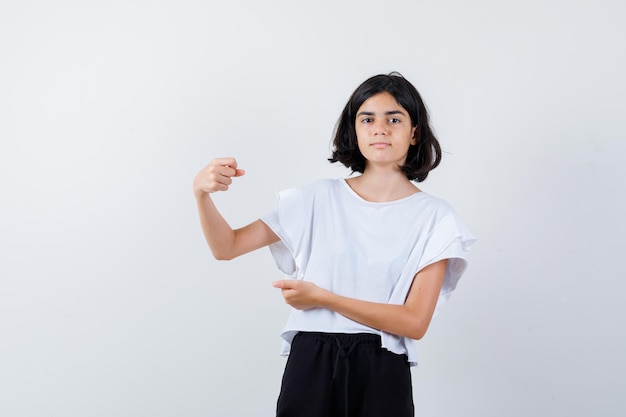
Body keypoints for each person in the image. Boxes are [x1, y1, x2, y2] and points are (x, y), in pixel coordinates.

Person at [193, 72, 476, 417]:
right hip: (312, 358)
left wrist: (324, 298)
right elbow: (228, 247)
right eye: (367, 118)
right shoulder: (314, 199)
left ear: (415, 132)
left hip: (383, 364)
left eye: (395, 118)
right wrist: (202, 195)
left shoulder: (436, 218)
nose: (380, 128)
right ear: (353, 129)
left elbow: (414, 322)